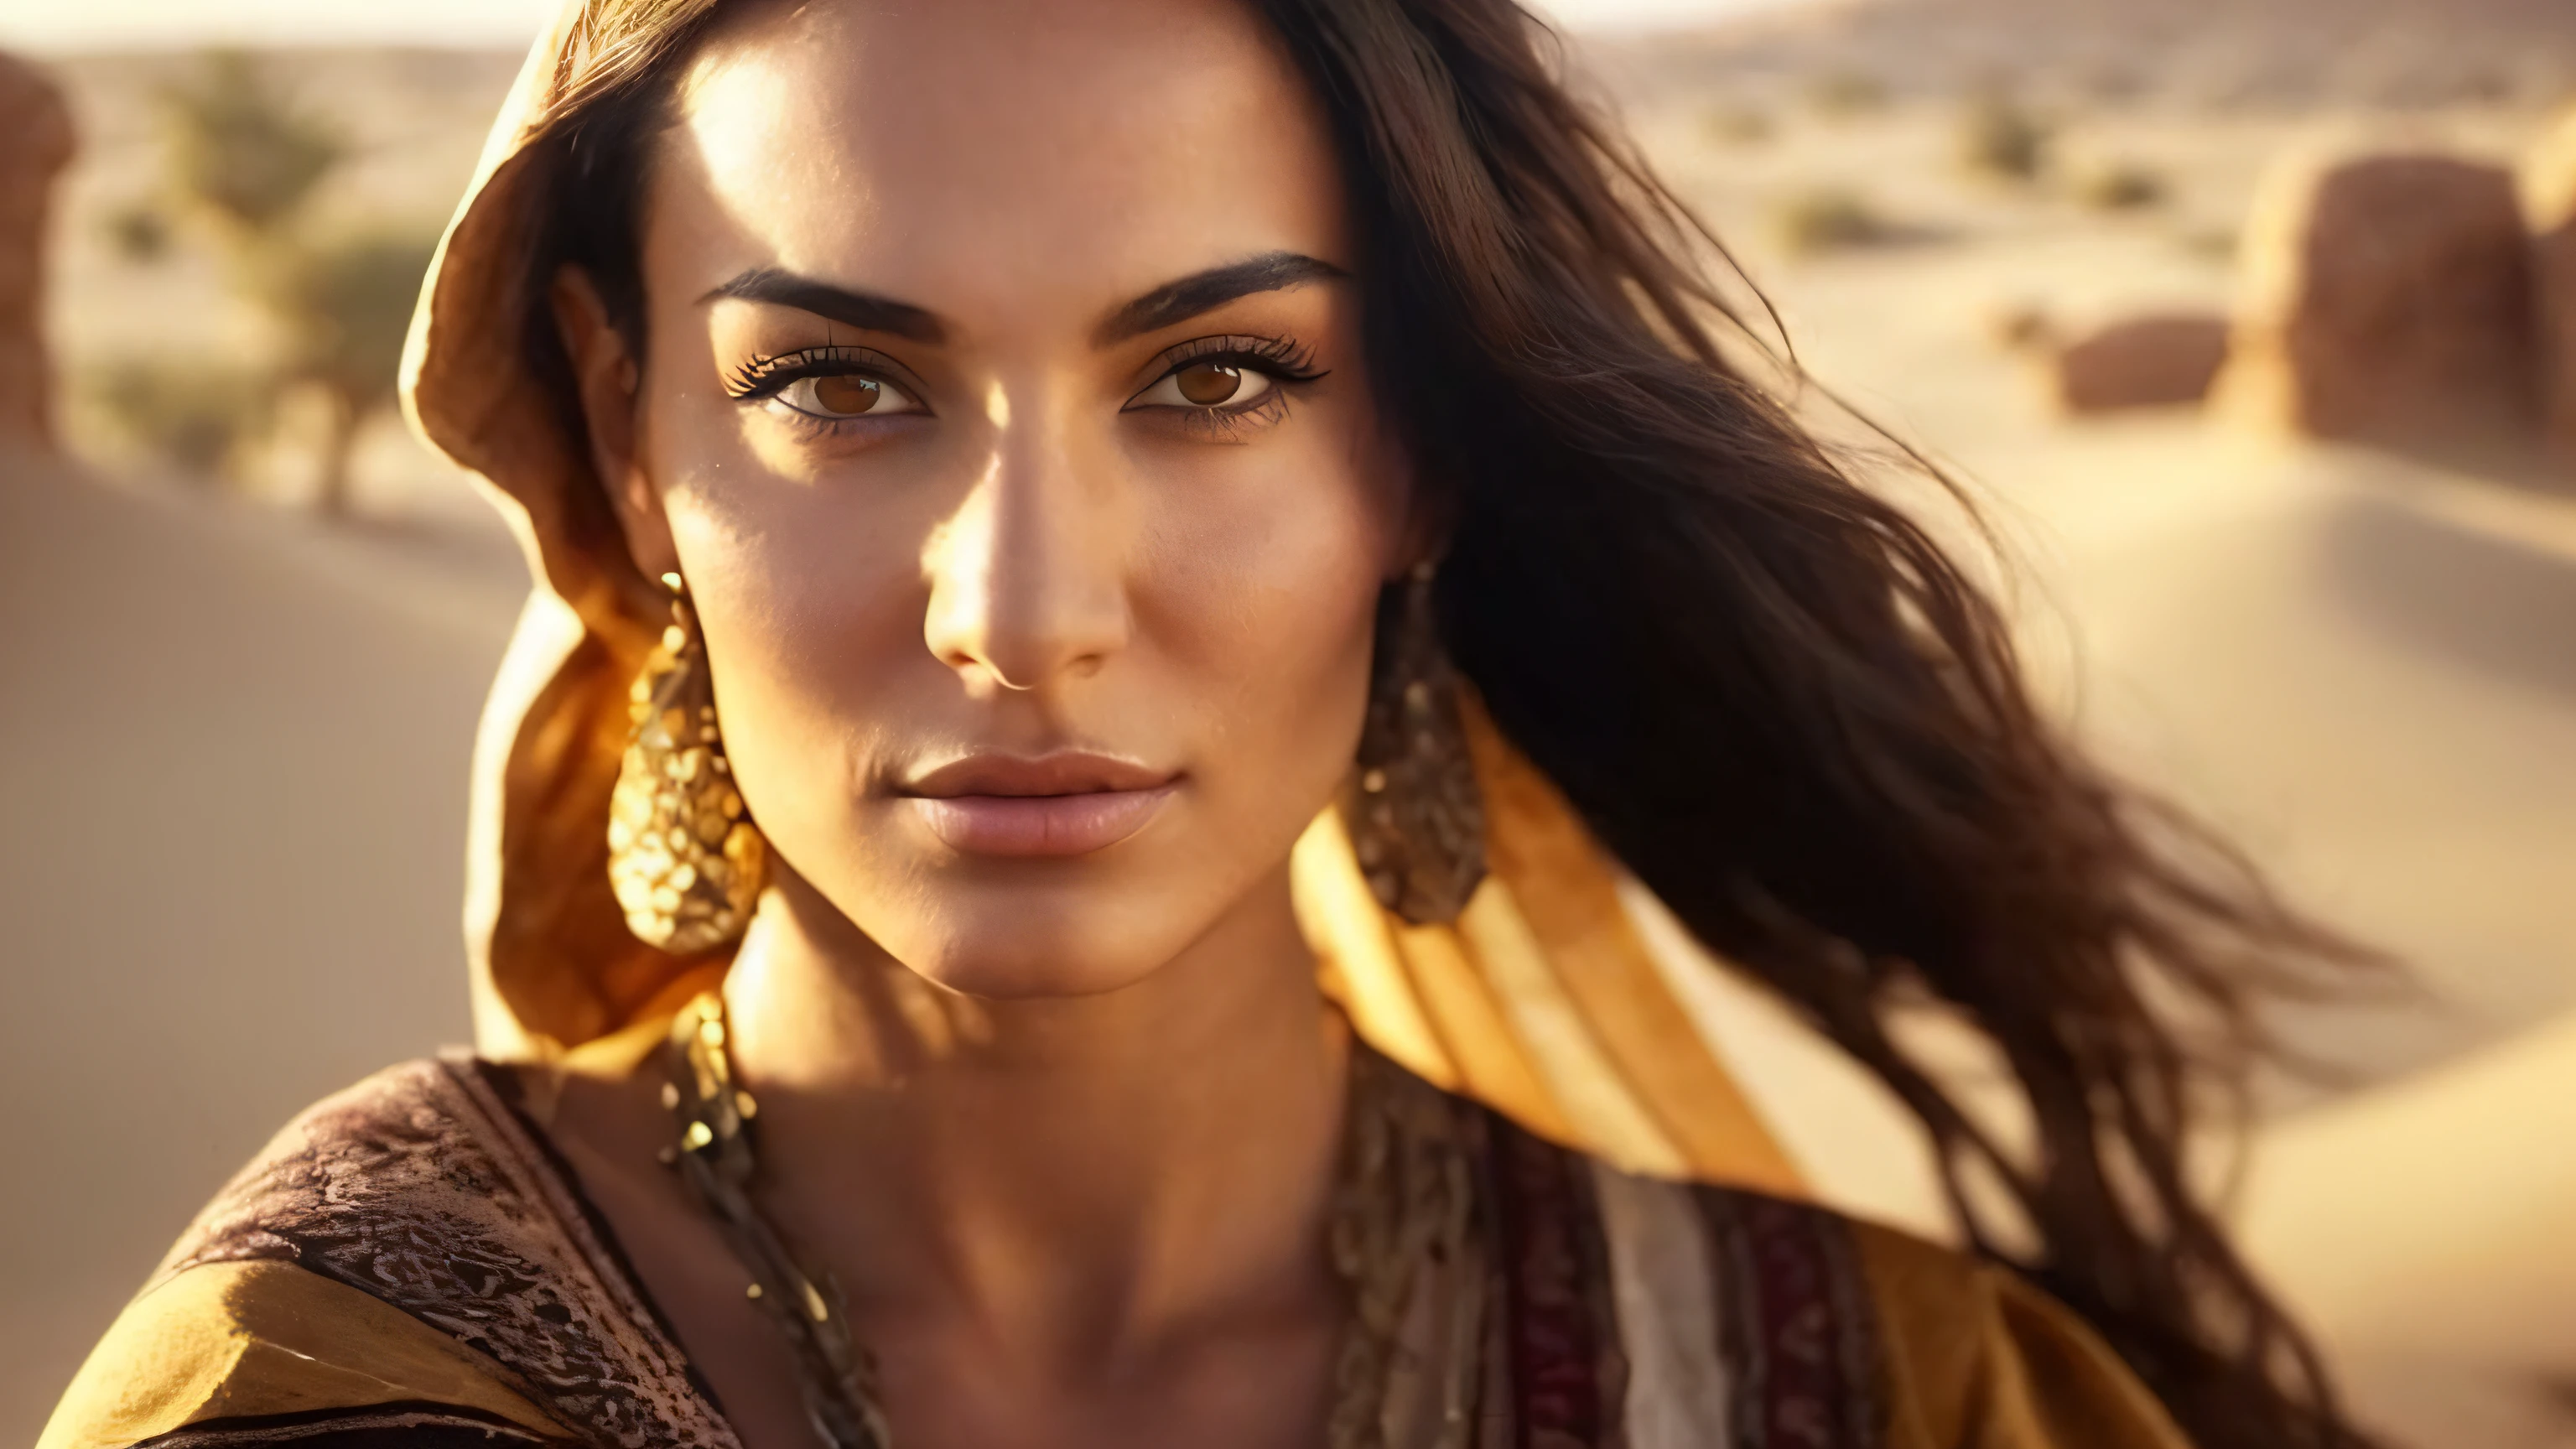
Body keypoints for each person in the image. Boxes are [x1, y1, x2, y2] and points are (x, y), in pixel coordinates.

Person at [42, 1, 2376, 1446]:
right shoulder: (335, 1384)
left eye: (1216, 381)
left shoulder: (1875, 1395)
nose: (1027, 611)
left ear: (1424, 461)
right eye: (838, 386)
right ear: (626, 421)